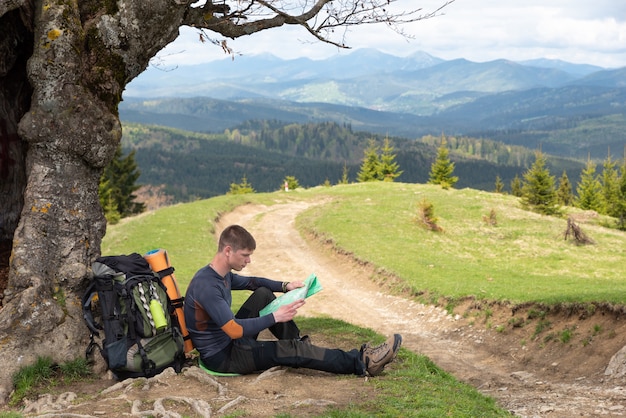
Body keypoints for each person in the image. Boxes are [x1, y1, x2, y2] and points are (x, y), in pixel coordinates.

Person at [184, 224, 402, 377]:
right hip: (225, 357)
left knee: (263, 293)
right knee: (290, 350)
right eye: (245, 255)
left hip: (231, 342)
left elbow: (253, 283)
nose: (249, 260)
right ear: (228, 250)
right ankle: (363, 362)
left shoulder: (220, 274)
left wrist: (284, 286)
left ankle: (299, 346)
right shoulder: (207, 286)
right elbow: (233, 329)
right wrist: (274, 317)